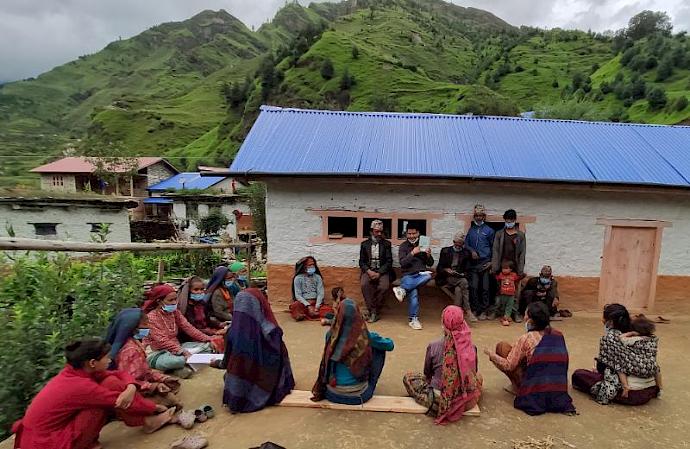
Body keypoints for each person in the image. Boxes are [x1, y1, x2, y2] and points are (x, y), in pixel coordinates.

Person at [12, 338, 175, 449]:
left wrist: (131, 386)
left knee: (112, 383)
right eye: (107, 358)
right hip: (48, 443)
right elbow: (117, 400)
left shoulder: (75, 372)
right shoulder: (80, 386)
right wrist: (153, 407)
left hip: (44, 436)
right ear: (92, 363)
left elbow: (118, 374)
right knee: (108, 397)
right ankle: (148, 422)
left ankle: (147, 421)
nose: (110, 360)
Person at [484, 302, 576, 415]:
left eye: (526, 315)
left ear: (531, 320)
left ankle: (519, 388)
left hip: (535, 393)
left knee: (502, 347)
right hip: (558, 392)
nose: (524, 318)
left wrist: (491, 354)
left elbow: (508, 365)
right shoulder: (558, 335)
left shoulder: (527, 338)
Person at [402, 306, 482, 424]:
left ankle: (444, 407)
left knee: (408, 378)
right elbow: (473, 372)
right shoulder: (471, 347)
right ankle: (458, 403)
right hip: (466, 402)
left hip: (439, 402)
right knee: (479, 377)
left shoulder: (433, 346)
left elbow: (427, 373)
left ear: (443, 324)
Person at [220, 289, 295, 413]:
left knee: (233, 375)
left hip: (243, 380)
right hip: (269, 380)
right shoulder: (272, 331)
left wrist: (218, 364)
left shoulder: (232, 332)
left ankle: (239, 395)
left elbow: (227, 361)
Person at [571, 304, 660, 406]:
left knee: (578, 375)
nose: (602, 320)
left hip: (630, 394)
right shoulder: (641, 334)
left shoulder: (609, 339)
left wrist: (598, 369)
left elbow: (607, 367)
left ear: (610, 322)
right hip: (650, 389)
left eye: (604, 317)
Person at [311, 298, 394, 405]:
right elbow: (390, 345)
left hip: (331, 394)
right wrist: (375, 339)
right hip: (359, 396)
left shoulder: (330, 335)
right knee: (379, 349)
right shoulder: (366, 336)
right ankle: (365, 382)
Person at [105, 308, 183, 410]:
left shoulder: (134, 342)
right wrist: (154, 386)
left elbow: (146, 371)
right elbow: (132, 381)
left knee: (171, 385)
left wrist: (163, 378)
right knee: (171, 401)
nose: (148, 327)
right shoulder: (129, 350)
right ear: (134, 328)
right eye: (145, 324)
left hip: (141, 383)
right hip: (132, 390)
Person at [143, 284, 217, 375]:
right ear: (159, 301)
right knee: (177, 361)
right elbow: (162, 340)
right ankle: (179, 366)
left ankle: (176, 368)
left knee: (208, 347)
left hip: (177, 348)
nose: (174, 302)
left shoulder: (175, 312)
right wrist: (182, 351)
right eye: (171, 300)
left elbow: (189, 328)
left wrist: (209, 339)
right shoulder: (151, 317)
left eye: (175, 299)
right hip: (158, 352)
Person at [393, 226, 434, 330]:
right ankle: (413, 319)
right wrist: (412, 253)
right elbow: (402, 263)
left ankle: (402, 289)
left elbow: (430, 264)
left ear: (418, 233)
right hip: (408, 275)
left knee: (428, 275)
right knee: (414, 293)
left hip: (421, 275)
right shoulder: (403, 246)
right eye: (409, 234)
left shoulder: (423, 245)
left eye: (414, 234)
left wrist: (429, 255)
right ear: (406, 234)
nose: (411, 236)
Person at [491, 209, 526, 321]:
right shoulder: (499, 234)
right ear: (504, 220)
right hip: (502, 268)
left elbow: (522, 253)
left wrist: (520, 270)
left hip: (515, 268)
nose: (509, 222)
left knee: (515, 292)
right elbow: (495, 251)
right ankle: (498, 312)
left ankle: (514, 313)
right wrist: (495, 267)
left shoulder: (520, 235)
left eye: (511, 220)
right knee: (500, 291)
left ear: (515, 220)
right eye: (507, 220)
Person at [618, 315, 664, 399]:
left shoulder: (633, 340)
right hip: (651, 367)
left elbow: (620, 338)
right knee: (657, 369)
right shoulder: (654, 339)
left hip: (637, 368)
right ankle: (660, 388)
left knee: (619, 367)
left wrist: (631, 333)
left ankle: (625, 386)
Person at [436, 232, 476, 322]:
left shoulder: (466, 253)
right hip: (446, 277)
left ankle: (457, 316)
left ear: (463, 244)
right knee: (464, 282)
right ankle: (468, 310)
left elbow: (468, 270)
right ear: (453, 241)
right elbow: (439, 268)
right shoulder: (445, 251)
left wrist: (461, 274)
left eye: (460, 243)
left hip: (459, 278)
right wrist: (446, 270)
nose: (458, 245)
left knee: (459, 289)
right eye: (456, 243)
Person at [359, 219, 394, 323]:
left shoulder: (387, 244)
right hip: (369, 270)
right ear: (371, 231)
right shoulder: (364, 244)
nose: (379, 234)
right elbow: (361, 262)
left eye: (380, 232)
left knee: (384, 287)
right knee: (364, 285)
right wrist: (369, 271)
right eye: (376, 231)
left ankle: (374, 310)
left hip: (382, 271)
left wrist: (379, 273)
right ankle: (373, 311)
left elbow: (389, 261)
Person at [465, 204, 495, 321]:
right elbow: (466, 244)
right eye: (476, 215)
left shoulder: (489, 230)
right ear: (474, 216)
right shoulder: (471, 230)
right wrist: (472, 251)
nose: (478, 217)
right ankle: (476, 309)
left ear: (484, 216)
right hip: (473, 264)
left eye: (480, 215)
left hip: (485, 263)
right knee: (474, 287)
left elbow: (494, 248)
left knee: (485, 288)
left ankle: (484, 310)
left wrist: (492, 262)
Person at [290, 256, 334, 321]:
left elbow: (320, 293)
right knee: (295, 305)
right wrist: (308, 306)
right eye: (310, 265)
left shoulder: (318, 277)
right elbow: (298, 295)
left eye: (313, 264)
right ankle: (303, 314)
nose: (312, 266)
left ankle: (311, 314)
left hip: (316, 303)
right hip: (304, 304)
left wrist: (317, 307)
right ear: (304, 267)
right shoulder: (298, 278)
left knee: (329, 310)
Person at [495, 261, 520, 326]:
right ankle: (504, 316)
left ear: (511, 269)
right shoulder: (501, 275)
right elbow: (497, 278)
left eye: (506, 268)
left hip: (511, 295)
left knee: (509, 306)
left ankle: (506, 319)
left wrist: (523, 275)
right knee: (503, 306)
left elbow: (518, 279)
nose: (504, 270)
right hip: (503, 294)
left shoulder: (513, 275)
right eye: (503, 268)